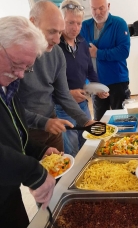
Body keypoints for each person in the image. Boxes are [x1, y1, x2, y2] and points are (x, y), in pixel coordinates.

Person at [0, 16, 56, 228]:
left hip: (8, 190)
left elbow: (13, 130)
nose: (21, 74)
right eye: (16, 65)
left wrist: (38, 150)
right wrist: (32, 171)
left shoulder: (8, 82)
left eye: (27, 67)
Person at [17, 1, 98, 153]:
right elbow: (11, 107)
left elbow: (63, 95)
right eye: (52, 31)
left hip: (53, 123)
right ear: (33, 23)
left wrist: (86, 121)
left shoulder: (57, 53)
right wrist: (43, 123)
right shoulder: (17, 54)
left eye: (60, 32)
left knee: (61, 169)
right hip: (28, 131)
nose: (56, 40)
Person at [57, 0, 109, 156]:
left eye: (79, 23)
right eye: (70, 22)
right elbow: (49, 83)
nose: (75, 28)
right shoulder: (54, 46)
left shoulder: (82, 42)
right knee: (71, 148)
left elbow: (90, 70)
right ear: (61, 21)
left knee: (88, 142)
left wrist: (98, 87)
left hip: (83, 105)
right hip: (62, 108)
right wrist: (69, 93)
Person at [80, 0, 131, 121]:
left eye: (101, 8)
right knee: (100, 122)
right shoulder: (84, 26)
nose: (97, 12)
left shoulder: (119, 23)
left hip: (117, 81)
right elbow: (81, 57)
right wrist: (88, 83)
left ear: (108, 6)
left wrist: (98, 53)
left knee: (122, 120)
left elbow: (123, 51)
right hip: (96, 83)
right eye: (93, 8)